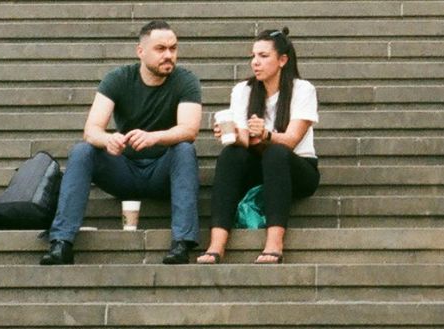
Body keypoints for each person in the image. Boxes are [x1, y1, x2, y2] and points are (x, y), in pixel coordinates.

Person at [41, 20, 200, 266]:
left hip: (163, 172)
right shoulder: (118, 78)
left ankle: (182, 243)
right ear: (141, 51)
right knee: (83, 151)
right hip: (123, 171)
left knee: (185, 150)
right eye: (160, 49)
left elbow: (189, 130)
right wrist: (108, 139)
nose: (169, 55)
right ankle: (61, 242)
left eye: (173, 48)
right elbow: (91, 129)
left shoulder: (185, 80)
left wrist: (155, 136)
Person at [196, 28, 319, 265]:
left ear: (282, 60)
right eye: (253, 56)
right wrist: (229, 133)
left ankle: (274, 244)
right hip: (258, 166)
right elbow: (244, 141)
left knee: (275, 152)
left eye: (263, 56)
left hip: (299, 169)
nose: (255, 62)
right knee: (231, 154)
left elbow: (292, 140)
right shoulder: (244, 91)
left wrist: (265, 134)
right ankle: (216, 245)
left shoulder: (302, 89)